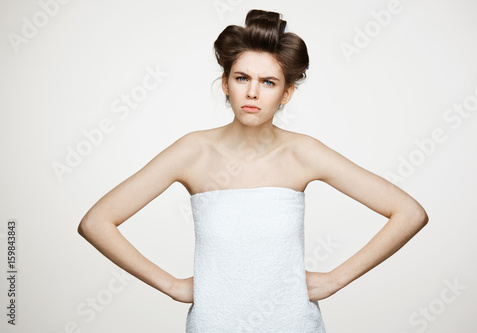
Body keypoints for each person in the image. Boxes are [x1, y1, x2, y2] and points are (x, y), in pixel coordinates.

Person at [78, 9, 428, 332]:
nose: (252, 92)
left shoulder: (303, 152)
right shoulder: (193, 152)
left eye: (269, 82)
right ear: (226, 83)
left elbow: (408, 212)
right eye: (242, 77)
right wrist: (172, 286)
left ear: (286, 93)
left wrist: (335, 279)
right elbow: (96, 222)